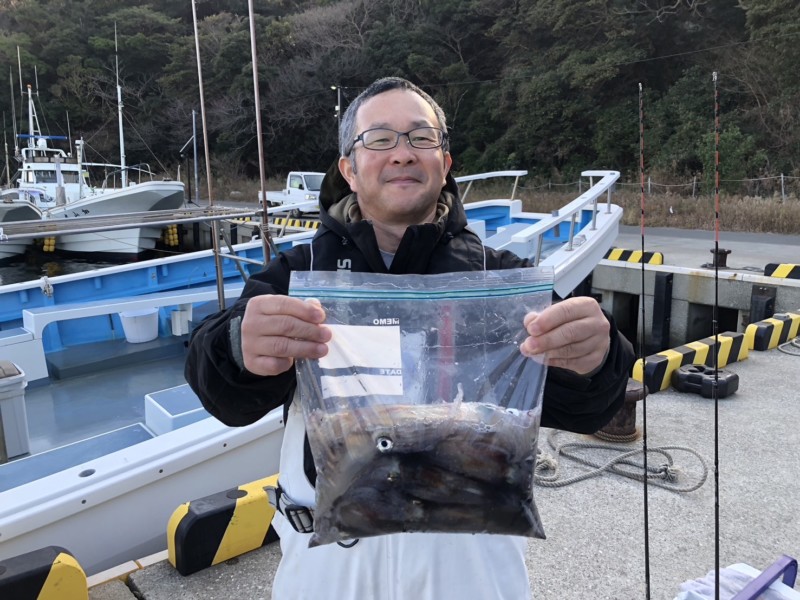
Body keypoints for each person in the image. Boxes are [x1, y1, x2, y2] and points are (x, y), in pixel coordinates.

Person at [185, 76, 635, 599]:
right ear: (349, 169)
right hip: (330, 562)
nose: (402, 153)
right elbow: (224, 396)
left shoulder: (503, 282)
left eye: (421, 138)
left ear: (445, 163)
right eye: (380, 139)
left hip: (473, 559)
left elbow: (586, 409)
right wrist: (234, 347)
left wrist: (598, 358)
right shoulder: (297, 275)